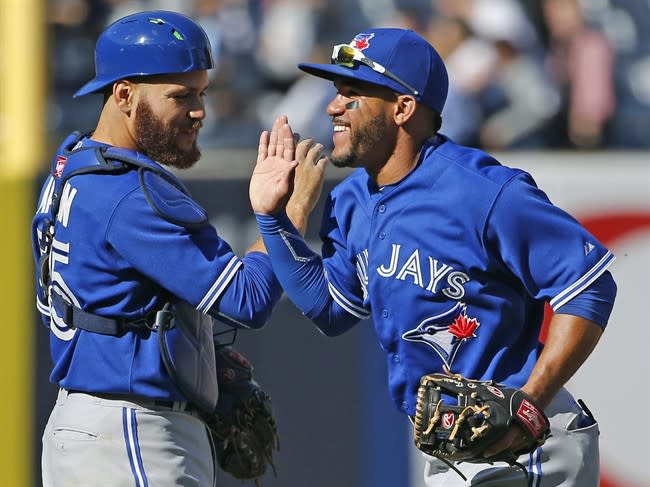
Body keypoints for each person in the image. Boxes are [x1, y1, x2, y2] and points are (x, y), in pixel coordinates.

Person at [249, 28, 617, 486]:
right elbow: (331, 309)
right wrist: (274, 220)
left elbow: (589, 286)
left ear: (403, 108)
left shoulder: (482, 191)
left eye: (353, 93)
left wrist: (530, 403)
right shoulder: (351, 202)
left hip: (523, 444)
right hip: (447, 443)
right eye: (337, 91)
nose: (332, 106)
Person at [32, 10, 324, 487]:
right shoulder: (131, 192)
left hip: (86, 426)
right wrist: (287, 215)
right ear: (124, 94)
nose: (199, 111)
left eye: (202, 93)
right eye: (180, 96)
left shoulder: (74, 164)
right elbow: (246, 300)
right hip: (131, 432)